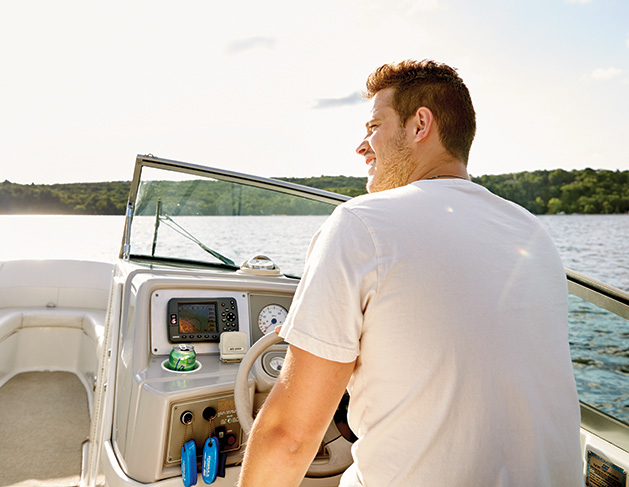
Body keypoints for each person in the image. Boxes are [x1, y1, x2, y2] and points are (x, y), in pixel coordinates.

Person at [238, 59, 583, 486]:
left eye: (373, 127)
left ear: (420, 124)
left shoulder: (361, 225)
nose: (362, 146)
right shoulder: (532, 232)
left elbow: (289, 438)